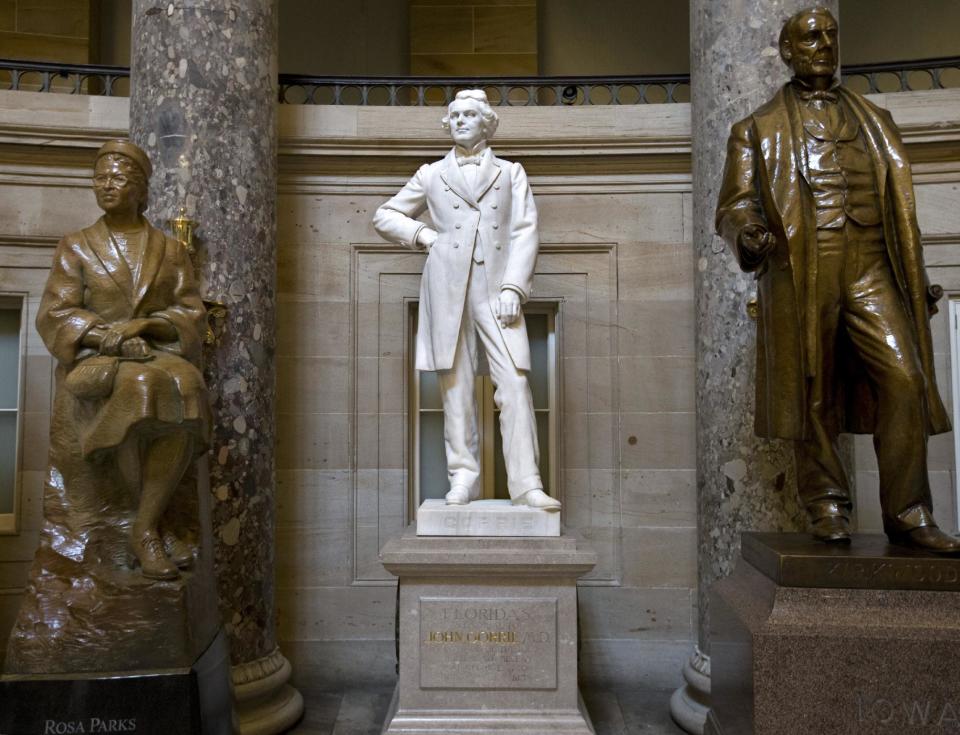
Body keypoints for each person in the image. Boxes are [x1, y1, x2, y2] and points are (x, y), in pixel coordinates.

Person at [716, 7, 959, 553]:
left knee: (906, 380)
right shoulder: (756, 129)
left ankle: (908, 512)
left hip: (874, 263)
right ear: (787, 50)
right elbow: (732, 205)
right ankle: (826, 504)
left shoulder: (876, 119)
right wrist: (748, 230)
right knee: (813, 387)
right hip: (805, 265)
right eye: (810, 37)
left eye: (831, 35)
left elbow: (900, 211)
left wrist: (914, 278)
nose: (824, 44)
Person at [374, 90, 560, 511]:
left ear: (487, 122)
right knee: (455, 385)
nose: (459, 120)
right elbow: (385, 215)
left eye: (469, 114)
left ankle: (527, 485)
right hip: (446, 286)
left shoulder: (511, 173)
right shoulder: (431, 173)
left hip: (496, 289)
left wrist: (514, 287)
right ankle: (464, 478)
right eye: (454, 115)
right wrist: (424, 235)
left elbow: (525, 231)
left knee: (514, 383)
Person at [37, 139, 211, 579]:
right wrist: (108, 337)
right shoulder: (76, 246)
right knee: (140, 388)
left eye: (117, 178)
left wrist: (146, 327)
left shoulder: (170, 249)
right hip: (97, 359)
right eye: (100, 178)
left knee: (188, 386)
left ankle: (146, 522)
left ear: (140, 188)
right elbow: (56, 313)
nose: (106, 186)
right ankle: (147, 530)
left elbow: (190, 310)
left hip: (154, 351)